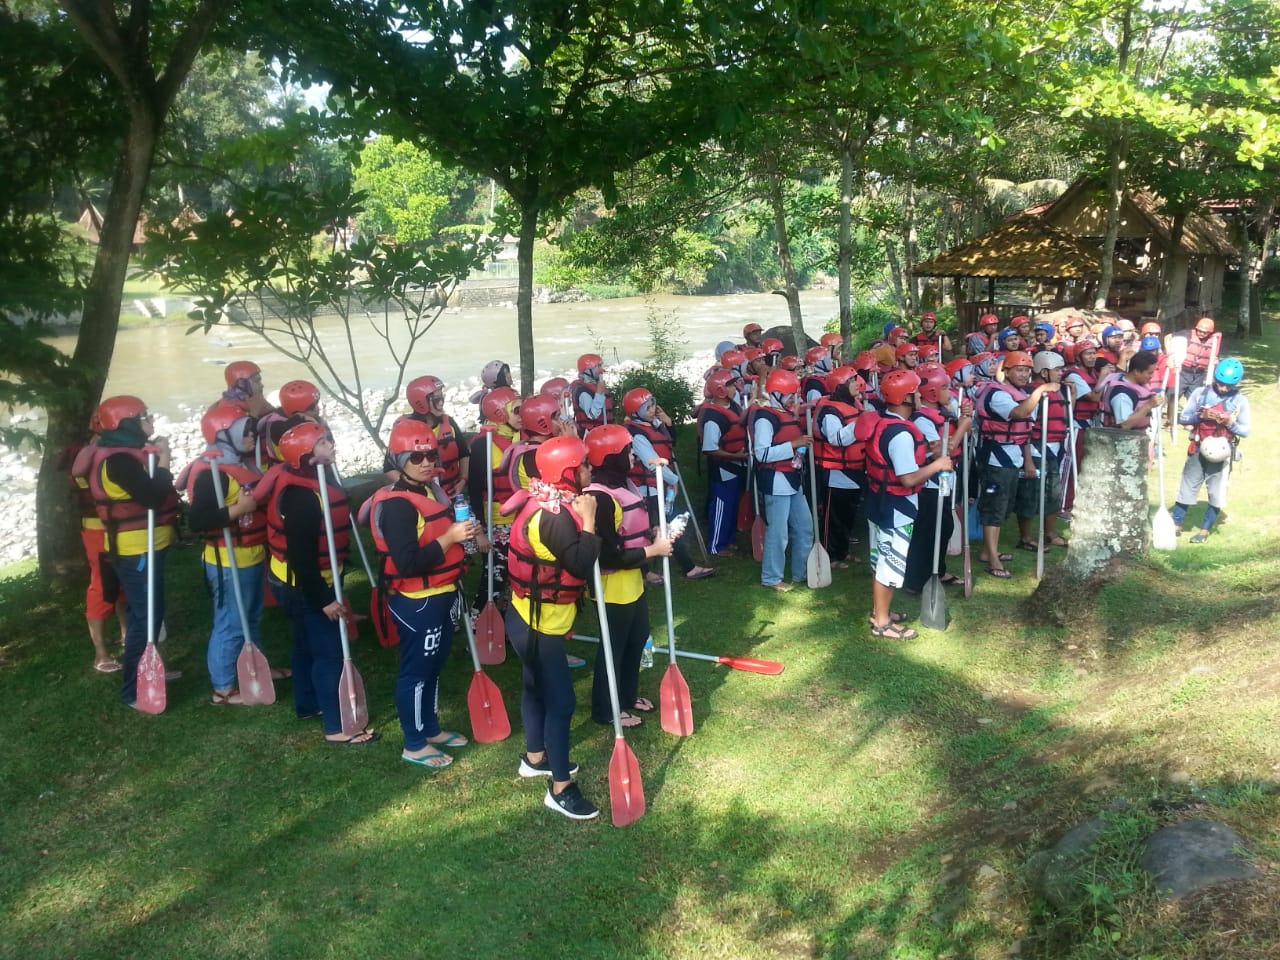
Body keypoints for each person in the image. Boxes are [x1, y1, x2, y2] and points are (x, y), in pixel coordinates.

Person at [367, 419, 488, 768]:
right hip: (416, 601)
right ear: (398, 459)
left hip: (442, 594)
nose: (425, 464)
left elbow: (440, 533)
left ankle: (430, 728)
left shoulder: (429, 491)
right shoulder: (397, 505)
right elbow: (407, 563)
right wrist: (449, 538)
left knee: (434, 667)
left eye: (430, 456)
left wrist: (464, 532)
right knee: (416, 672)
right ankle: (414, 742)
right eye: (416, 458)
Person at [505, 436, 602, 820]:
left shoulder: (546, 497)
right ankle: (560, 787)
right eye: (584, 466)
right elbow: (580, 565)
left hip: (524, 616)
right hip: (537, 626)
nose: (589, 471)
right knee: (561, 702)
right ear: (566, 473)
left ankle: (534, 757)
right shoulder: (555, 515)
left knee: (534, 688)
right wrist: (591, 519)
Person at [265, 421, 378, 745]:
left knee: (305, 645)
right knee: (329, 653)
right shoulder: (301, 497)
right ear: (304, 455)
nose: (332, 446)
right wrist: (323, 599)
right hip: (303, 585)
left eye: (329, 440)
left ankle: (308, 704)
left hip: (290, 581)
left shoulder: (310, 481)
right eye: (323, 443)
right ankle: (337, 727)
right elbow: (302, 557)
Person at [74, 396, 181, 708]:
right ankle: (133, 689)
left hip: (145, 547)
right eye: (144, 416)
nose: (150, 420)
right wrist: (164, 459)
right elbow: (152, 497)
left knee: (143, 614)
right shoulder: (118, 460)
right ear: (127, 423)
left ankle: (150, 668)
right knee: (146, 618)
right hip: (136, 552)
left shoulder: (126, 453)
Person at [581, 425, 675, 729]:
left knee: (637, 639)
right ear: (610, 457)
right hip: (611, 586)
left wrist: (652, 534)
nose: (632, 454)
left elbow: (632, 530)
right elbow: (607, 555)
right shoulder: (600, 497)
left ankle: (627, 695)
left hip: (632, 581)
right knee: (613, 647)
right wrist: (652, 551)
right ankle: (605, 709)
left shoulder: (625, 484)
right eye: (627, 450)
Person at [183, 403, 267, 706]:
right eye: (245, 430)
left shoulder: (241, 464)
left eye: (252, 429)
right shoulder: (212, 472)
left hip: (251, 555)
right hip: (228, 560)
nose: (252, 435)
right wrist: (239, 509)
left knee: (252, 617)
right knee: (231, 622)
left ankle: (255, 671)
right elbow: (198, 520)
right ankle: (223, 688)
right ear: (224, 434)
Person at [864, 370, 953, 639]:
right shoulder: (901, 434)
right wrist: (937, 464)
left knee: (885, 560)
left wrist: (927, 452)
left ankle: (882, 611)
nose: (918, 396)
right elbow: (908, 478)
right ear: (905, 397)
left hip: (883, 501)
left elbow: (898, 463)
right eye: (915, 392)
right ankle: (881, 623)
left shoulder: (887, 423)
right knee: (889, 563)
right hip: (895, 506)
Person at [973, 351, 1061, 578]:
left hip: (1013, 459)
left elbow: (1025, 431)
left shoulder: (1020, 392)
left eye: (1026, 371)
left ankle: (987, 551)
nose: (1023, 375)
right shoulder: (997, 394)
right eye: (1019, 370)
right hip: (995, 460)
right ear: (1006, 371)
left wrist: (1028, 460)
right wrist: (1041, 391)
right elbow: (1019, 413)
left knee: (1004, 506)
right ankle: (992, 560)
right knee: (994, 507)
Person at [623, 387, 714, 580]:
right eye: (646, 408)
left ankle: (685, 566)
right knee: (651, 528)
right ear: (635, 413)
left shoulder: (654, 425)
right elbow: (653, 462)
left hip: (659, 485)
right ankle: (648, 570)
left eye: (652, 405)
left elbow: (669, 443)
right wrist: (674, 480)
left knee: (667, 526)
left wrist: (668, 423)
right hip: (646, 489)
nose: (651, 409)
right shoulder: (637, 434)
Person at [66, 413, 127, 672]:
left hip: (124, 528)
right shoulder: (87, 453)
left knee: (126, 581)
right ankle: (101, 652)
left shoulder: (119, 448)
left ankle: (127, 634)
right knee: (102, 586)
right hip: (98, 530)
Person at [902, 363, 969, 594]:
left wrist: (963, 421)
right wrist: (962, 428)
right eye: (945, 388)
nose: (949, 392)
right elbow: (942, 451)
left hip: (944, 480)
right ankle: (915, 581)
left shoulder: (942, 413)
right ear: (931, 392)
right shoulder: (922, 419)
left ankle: (938, 571)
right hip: (928, 484)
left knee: (945, 526)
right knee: (928, 531)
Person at [1172, 357, 1250, 543]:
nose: (1223, 389)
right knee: (1187, 485)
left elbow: (1245, 431)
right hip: (1199, 447)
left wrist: (1230, 423)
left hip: (1222, 452)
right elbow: (1183, 418)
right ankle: (1176, 524)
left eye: (1228, 386)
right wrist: (1200, 416)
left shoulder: (1240, 401)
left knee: (1216, 491)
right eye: (1221, 384)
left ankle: (1204, 531)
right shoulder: (1200, 393)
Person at [750, 369, 814, 592]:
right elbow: (762, 454)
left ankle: (801, 572)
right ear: (776, 394)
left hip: (792, 477)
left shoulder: (786, 414)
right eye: (790, 395)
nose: (794, 400)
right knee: (778, 532)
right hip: (776, 479)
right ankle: (771, 577)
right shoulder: (765, 418)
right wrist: (795, 445)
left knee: (805, 527)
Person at [466, 386, 521, 611]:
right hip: (496, 522)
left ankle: (507, 624)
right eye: (517, 410)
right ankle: (478, 625)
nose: (522, 415)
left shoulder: (519, 438)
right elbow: (475, 490)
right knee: (493, 579)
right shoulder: (483, 445)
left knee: (514, 577)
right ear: (500, 413)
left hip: (519, 520)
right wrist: (480, 532)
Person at [1014, 352, 1069, 551]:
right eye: (1057, 369)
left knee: (1054, 493)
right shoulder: (1034, 394)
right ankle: (1026, 537)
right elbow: (1026, 428)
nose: (1061, 373)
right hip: (1036, 450)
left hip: (1055, 449)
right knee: (1029, 494)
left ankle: (1049, 532)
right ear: (1044, 372)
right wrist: (1028, 460)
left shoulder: (1059, 391)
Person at [812, 366, 865, 570]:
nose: (857, 384)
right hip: (836, 469)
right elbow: (837, 438)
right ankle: (831, 555)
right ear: (840, 386)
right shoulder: (830, 410)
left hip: (855, 468)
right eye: (851, 381)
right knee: (834, 516)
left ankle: (842, 551)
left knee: (848, 514)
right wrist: (861, 422)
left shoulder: (854, 403)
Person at [384, 375, 469, 495]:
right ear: (421, 403)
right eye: (436, 400)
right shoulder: (404, 429)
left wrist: (463, 480)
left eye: (442, 398)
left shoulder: (449, 423)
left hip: (452, 493)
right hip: (421, 496)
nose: (441, 404)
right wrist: (418, 490)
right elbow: (389, 468)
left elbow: (464, 454)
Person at [697, 370, 748, 556]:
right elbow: (710, 449)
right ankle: (716, 545)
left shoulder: (733, 406)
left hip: (736, 465)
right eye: (731, 385)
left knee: (733, 504)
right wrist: (738, 457)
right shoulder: (713, 417)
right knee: (721, 505)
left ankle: (729, 540)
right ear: (720, 390)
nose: (735, 387)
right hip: (723, 467)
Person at [1100, 350, 1163, 431]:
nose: (1152, 376)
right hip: (1120, 441)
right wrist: (1148, 406)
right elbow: (1125, 424)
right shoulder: (1121, 395)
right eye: (1149, 373)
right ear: (1136, 371)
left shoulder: (1137, 384)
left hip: (1136, 439)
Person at [1168, 316, 1220, 400]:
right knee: (1172, 397)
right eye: (1199, 331)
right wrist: (1170, 356)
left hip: (1198, 375)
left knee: (1195, 401)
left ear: (1210, 332)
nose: (1201, 333)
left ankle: (1190, 413)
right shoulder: (1187, 334)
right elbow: (1168, 337)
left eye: (1205, 332)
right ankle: (1170, 413)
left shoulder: (1213, 341)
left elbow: (1214, 357)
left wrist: (1215, 361)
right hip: (1182, 372)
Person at [570, 354, 611, 435]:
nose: (601, 370)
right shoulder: (583, 393)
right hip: (590, 434)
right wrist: (599, 393)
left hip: (602, 431)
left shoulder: (594, 386)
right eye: (598, 366)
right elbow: (592, 415)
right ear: (587, 371)